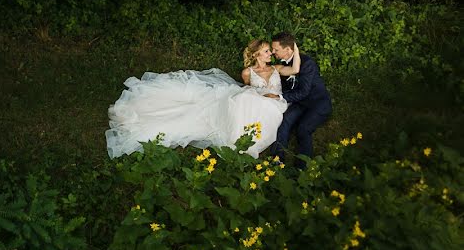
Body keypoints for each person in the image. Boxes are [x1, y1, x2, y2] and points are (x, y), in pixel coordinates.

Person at [105, 39, 300, 159]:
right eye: (267, 51)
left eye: (270, 51)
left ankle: (245, 138)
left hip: (276, 102)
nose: (271, 54)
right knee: (244, 100)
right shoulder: (247, 72)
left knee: (257, 105)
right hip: (257, 99)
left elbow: (295, 69)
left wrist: (294, 49)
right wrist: (262, 94)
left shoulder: (276, 69)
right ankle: (238, 135)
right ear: (257, 54)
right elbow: (251, 90)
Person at [267, 32, 332, 167]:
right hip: (300, 103)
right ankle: (278, 158)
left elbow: (303, 92)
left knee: (303, 128)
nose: (273, 52)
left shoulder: (307, 63)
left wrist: (280, 97)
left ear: (288, 49)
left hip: (317, 103)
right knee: (284, 121)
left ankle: (302, 167)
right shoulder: (282, 64)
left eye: (276, 49)